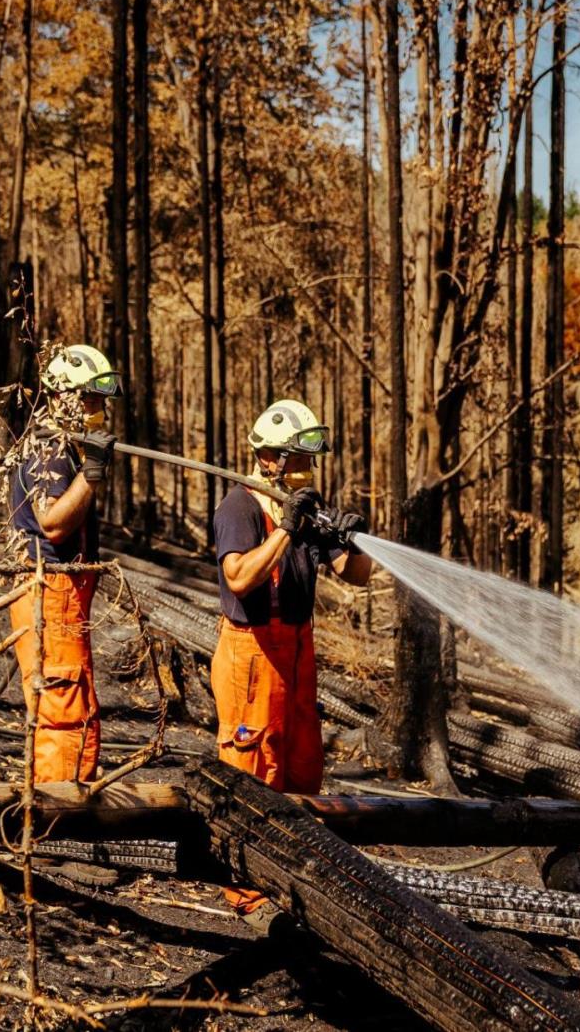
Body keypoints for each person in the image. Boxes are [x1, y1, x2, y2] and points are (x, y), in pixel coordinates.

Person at [211, 398, 372, 930]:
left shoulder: (305, 508)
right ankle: (246, 893)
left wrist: (354, 538)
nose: (307, 469)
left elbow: (357, 575)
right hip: (252, 651)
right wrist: (284, 528)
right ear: (269, 459)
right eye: (298, 459)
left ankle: (295, 875)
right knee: (253, 768)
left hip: (299, 649)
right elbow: (238, 577)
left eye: (310, 460)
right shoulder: (239, 508)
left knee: (302, 765)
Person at [8, 344, 122, 790]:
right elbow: (52, 523)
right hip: (49, 591)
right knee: (62, 708)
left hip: (65, 594)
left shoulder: (66, 446)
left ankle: (71, 799)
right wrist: (92, 473)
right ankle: (56, 812)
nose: (97, 409)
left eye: (99, 400)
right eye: (88, 398)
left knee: (76, 702)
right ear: (61, 396)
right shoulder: (48, 448)